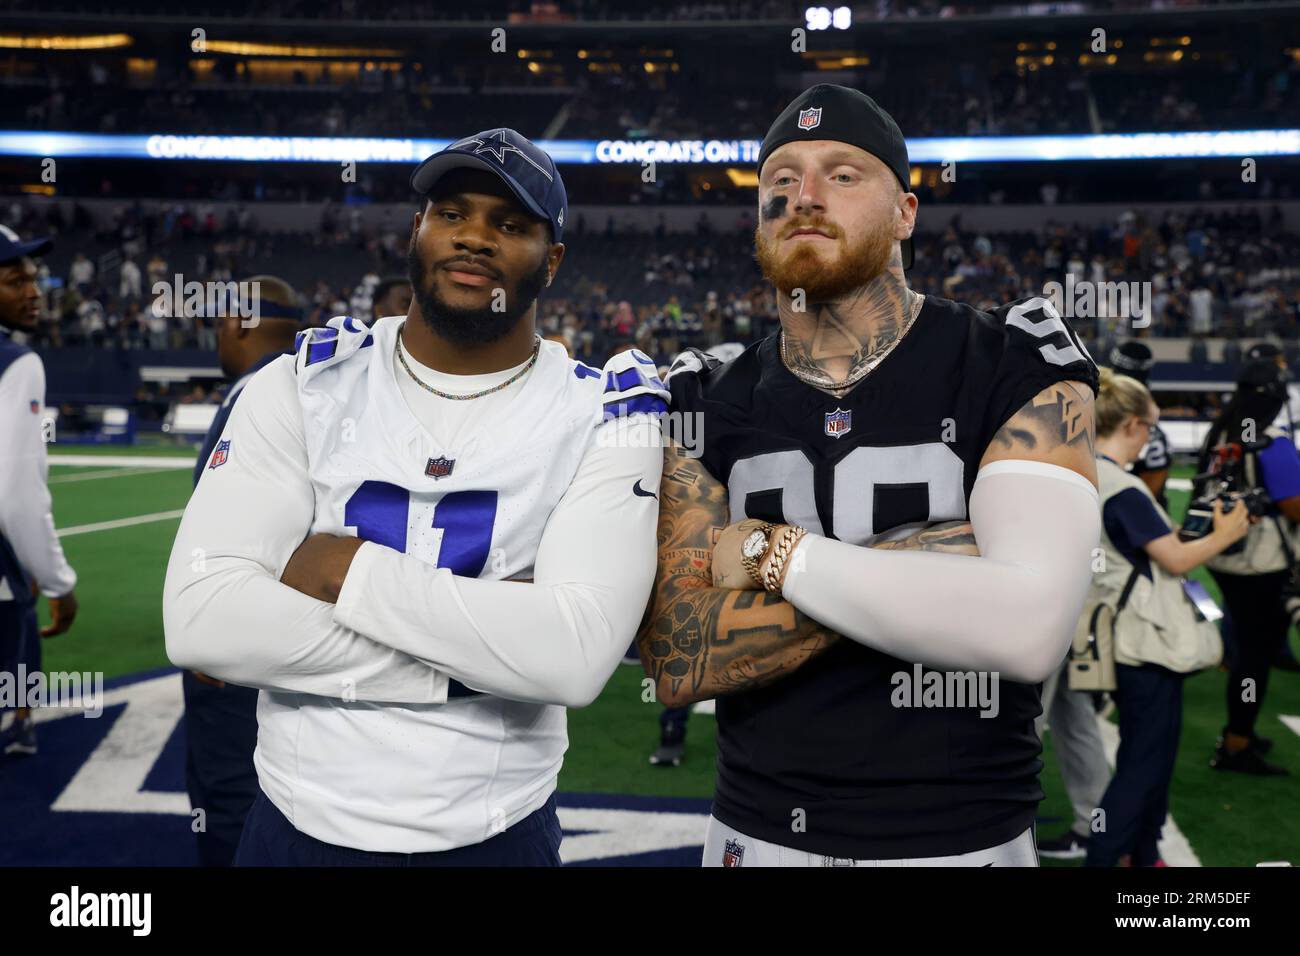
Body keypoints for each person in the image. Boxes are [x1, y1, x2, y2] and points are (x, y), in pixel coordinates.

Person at [163, 129, 667, 865]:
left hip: (494, 834)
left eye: (510, 224)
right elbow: (204, 626)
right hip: (296, 827)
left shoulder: (605, 412)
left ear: (552, 260)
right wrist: (492, 659)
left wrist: (343, 570)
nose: (474, 239)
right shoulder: (301, 384)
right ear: (418, 229)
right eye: (452, 212)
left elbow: (573, 659)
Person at [641, 85, 1101, 867]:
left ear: (906, 213)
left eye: (842, 174)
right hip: (753, 832)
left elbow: (1026, 630)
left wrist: (769, 558)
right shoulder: (703, 394)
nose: (803, 196)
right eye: (778, 181)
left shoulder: (1014, 361)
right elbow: (680, 654)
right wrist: (953, 574)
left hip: (962, 840)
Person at [1084, 369, 1248, 867]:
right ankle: (1108, 855)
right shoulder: (1124, 486)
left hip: (1114, 627)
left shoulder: (1089, 473)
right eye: (1151, 428)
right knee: (1142, 763)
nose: (1152, 439)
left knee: (1149, 756)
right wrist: (1226, 531)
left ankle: (1142, 850)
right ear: (1132, 424)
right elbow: (1175, 560)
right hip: (1145, 637)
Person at [181, 274, 303, 866]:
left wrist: (212, 629)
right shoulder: (318, 383)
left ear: (238, 324)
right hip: (305, 639)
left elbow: (224, 534)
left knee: (229, 792)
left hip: (245, 643)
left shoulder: (253, 394)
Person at [1196, 358, 1300, 775]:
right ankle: (1237, 742)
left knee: (1247, 645)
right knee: (1255, 656)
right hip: (1262, 559)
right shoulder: (1271, 441)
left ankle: (1243, 731)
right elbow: (1294, 505)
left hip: (1223, 552)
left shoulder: (1219, 432)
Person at [0, 225, 79, 756]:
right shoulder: (17, 362)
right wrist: (58, 581)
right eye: (15, 280)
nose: (34, 291)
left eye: (34, 279)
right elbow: (15, 493)